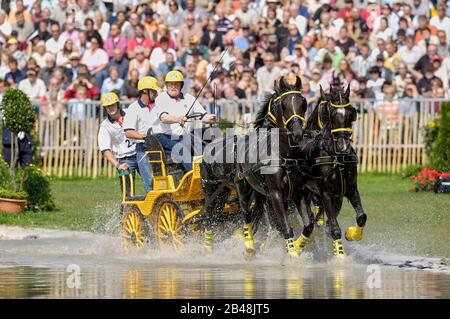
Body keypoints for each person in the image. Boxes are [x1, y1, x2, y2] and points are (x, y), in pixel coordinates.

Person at [152, 70, 217, 172]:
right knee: (181, 149)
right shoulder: (161, 99)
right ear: (167, 85)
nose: (173, 86)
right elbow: (163, 118)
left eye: (176, 84)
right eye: (170, 84)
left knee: (208, 139)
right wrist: (177, 119)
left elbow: (202, 115)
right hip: (165, 136)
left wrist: (210, 118)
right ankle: (195, 175)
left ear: (181, 86)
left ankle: (212, 171)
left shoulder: (189, 98)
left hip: (185, 135)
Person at [123, 76, 161, 192]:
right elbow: (128, 132)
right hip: (143, 149)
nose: (155, 93)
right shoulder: (133, 108)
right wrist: (145, 137)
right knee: (149, 182)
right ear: (145, 91)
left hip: (160, 147)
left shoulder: (159, 106)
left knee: (163, 180)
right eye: (153, 90)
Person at [98, 92, 139, 198]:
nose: (110, 108)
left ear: (117, 104)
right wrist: (118, 165)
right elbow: (105, 150)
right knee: (127, 193)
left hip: (140, 152)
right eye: (107, 106)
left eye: (112, 104)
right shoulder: (105, 126)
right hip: (124, 159)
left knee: (152, 183)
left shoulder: (130, 113)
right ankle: (125, 214)